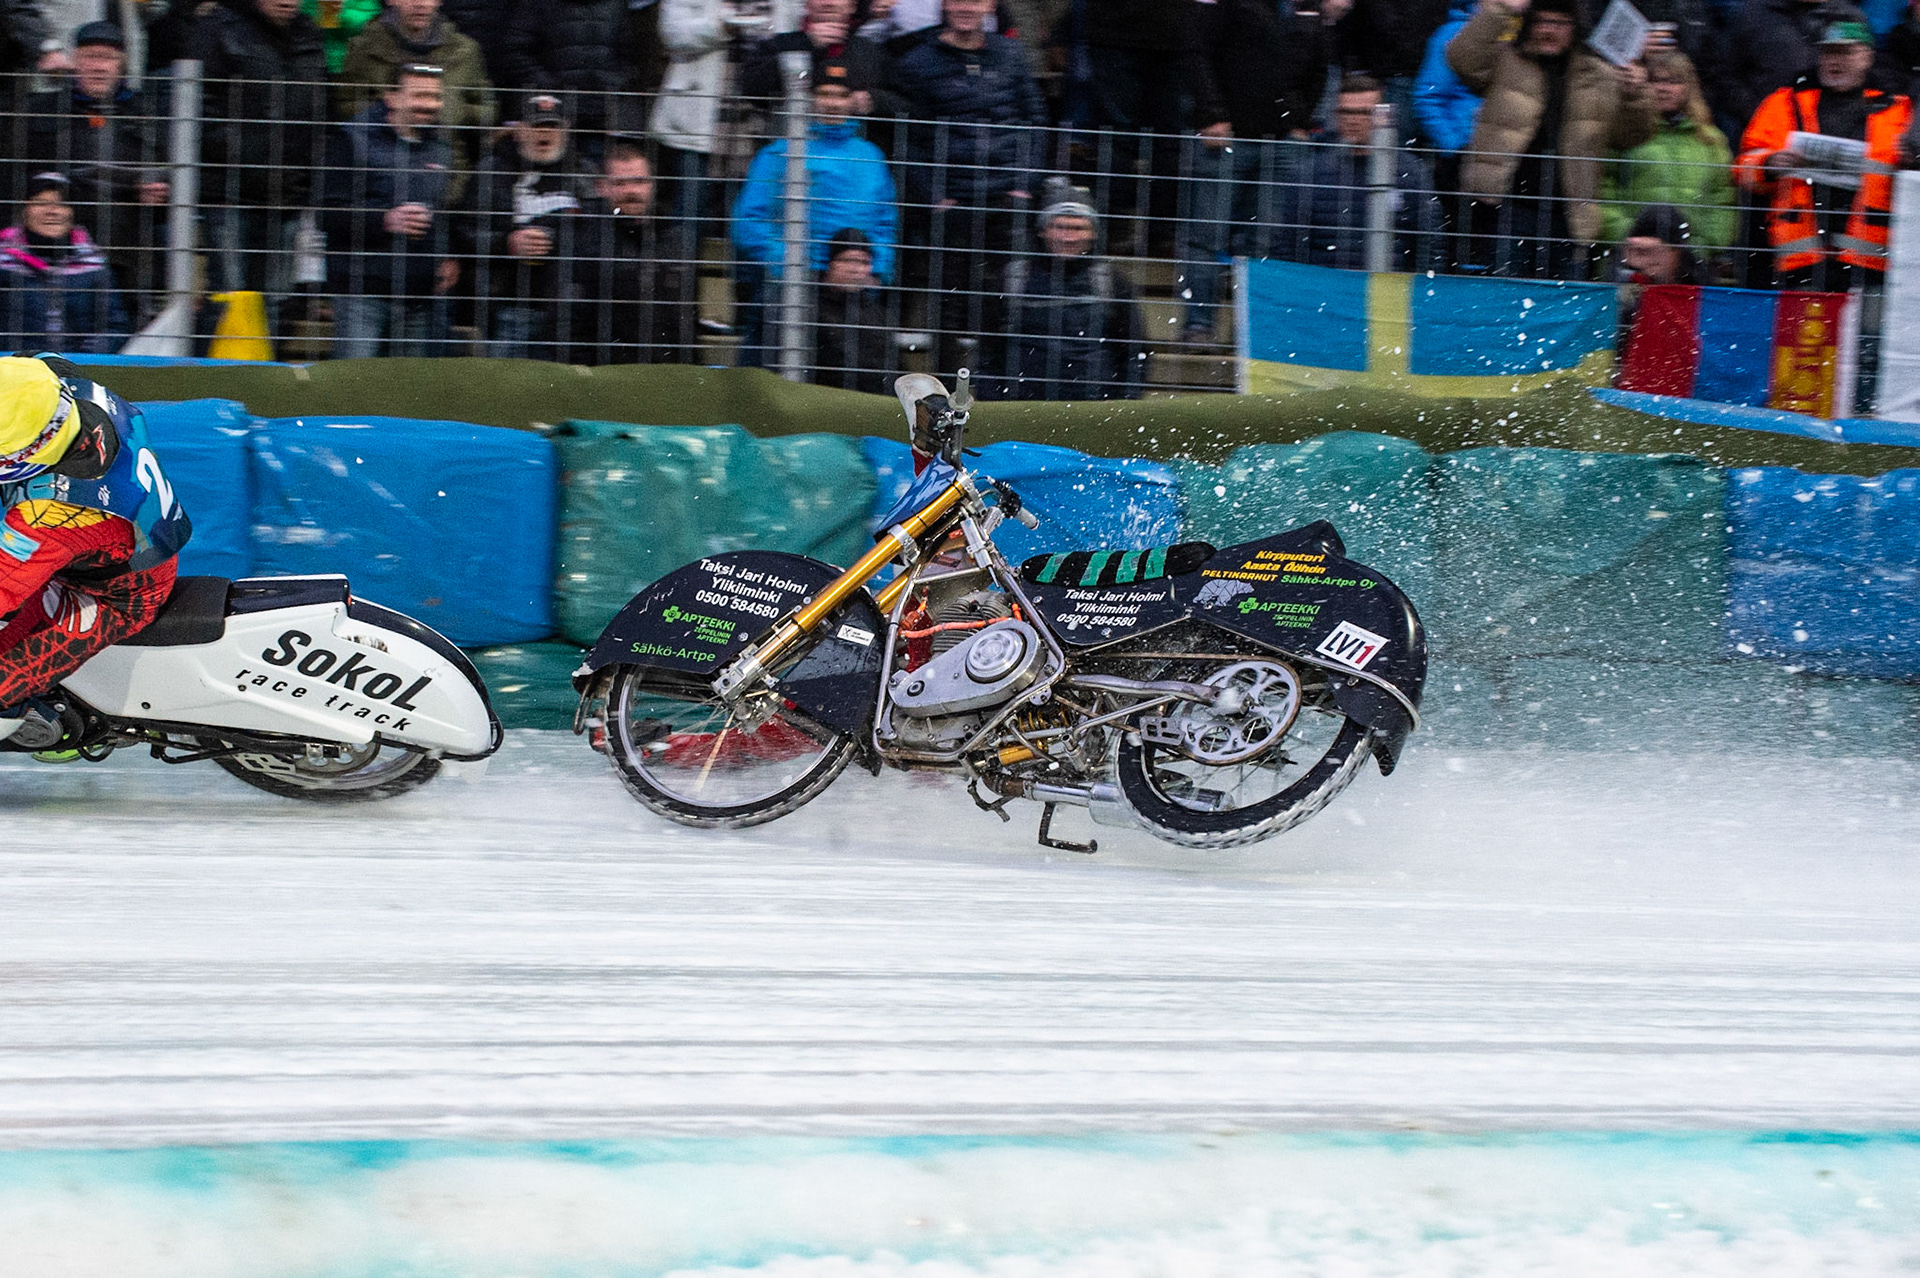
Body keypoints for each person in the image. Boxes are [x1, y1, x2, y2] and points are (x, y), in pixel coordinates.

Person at [0, 353, 190, 753]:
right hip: (105, 549)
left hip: (111, 597)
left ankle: (46, 721)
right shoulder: (49, 381)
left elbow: (4, 589)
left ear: (27, 453)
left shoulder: (49, 514)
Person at [887, 0, 1046, 375]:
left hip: (1007, 198)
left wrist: (1024, 185)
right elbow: (908, 138)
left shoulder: (1011, 54)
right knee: (948, 303)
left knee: (1007, 299)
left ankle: (1000, 386)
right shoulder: (918, 62)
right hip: (953, 201)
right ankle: (944, 390)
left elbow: (1036, 120)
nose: (964, 7)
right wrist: (934, 195)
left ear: (989, 5)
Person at [1447, 0, 1656, 279]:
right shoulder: (1506, 60)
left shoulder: (1599, 74)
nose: (1547, 30)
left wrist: (1635, 95)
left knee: (1562, 313)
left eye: (1558, 23)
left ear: (1574, 28)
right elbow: (1462, 60)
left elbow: (1631, 136)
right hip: (1508, 208)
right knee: (1504, 302)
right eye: (1540, 22)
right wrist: (1501, 9)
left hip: (1570, 218)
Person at [1179, 0, 1342, 342]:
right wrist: (1211, 112)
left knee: (1266, 241)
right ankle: (1198, 325)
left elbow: (1320, 65)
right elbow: (1197, 51)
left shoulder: (1307, 7)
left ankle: (1250, 329)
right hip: (1227, 135)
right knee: (1207, 236)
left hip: (1283, 141)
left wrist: (1300, 120)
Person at [730, 54, 898, 366]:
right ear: (809, 98)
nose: (833, 104)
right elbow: (748, 222)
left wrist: (877, 270)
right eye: (824, 93)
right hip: (792, 293)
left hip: (853, 295)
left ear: (853, 100)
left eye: (841, 95)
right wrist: (795, 264)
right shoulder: (779, 152)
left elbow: (885, 223)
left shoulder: (871, 157)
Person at [1736, 16, 1913, 290]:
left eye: (1845, 52)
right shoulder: (1782, 104)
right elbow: (1743, 168)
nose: (1834, 61)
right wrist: (1769, 164)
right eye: (1829, 52)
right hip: (1798, 262)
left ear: (1867, 57)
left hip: (1870, 266)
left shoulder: (1900, 111)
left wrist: (1910, 160)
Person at [191, 0, 329, 331]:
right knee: (230, 299)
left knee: (276, 301)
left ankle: (265, 378)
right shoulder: (219, 30)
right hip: (230, 193)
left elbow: (321, 112)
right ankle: (216, 379)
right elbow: (196, 105)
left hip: (287, 195)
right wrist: (248, 156)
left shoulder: (310, 35)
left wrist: (306, 175)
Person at [21, 22, 168, 320]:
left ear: (122, 64)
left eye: (108, 58)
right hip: (52, 253)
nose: (99, 67)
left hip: (127, 251)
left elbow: (170, 173)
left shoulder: (146, 113)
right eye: (90, 56)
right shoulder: (41, 109)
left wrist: (160, 188)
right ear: (75, 59)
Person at [319, 64, 458, 358]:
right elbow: (327, 212)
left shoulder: (441, 148)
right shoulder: (353, 139)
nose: (429, 105)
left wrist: (446, 254)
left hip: (418, 293)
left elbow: (442, 210)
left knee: (406, 396)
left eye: (435, 97)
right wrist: (385, 218)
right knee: (352, 390)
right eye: (419, 95)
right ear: (391, 98)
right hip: (362, 292)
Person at [461, 91, 594, 359]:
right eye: (536, 125)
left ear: (565, 130)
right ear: (519, 130)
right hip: (508, 307)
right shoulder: (491, 172)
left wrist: (560, 240)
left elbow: (600, 239)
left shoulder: (585, 175)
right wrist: (508, 243)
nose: (545, 134)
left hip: (568, 312)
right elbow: (465, 233)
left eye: (553, 126)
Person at [1001, 182, 1146, 401]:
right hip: (1022, 409)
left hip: (1094, 411)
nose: (1068, 237)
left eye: (1078, 228)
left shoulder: (1113, 282)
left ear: (1093, 234)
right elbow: (990, 353)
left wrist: (1124, 407)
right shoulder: (1013, 278)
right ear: (1042, 230)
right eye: (1060, 227)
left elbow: (1135, 353)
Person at [338, 0, 497, 198]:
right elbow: (344, 105)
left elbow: (489, 110)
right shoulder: (364, 47)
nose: (420, 4)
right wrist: (392, 108)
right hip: (381, 170)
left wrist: (456, 109)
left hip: (449, 172)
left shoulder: (465, 51)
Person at [1283, 74, 1442, 270]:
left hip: (1389, 293)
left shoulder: (1411, 172)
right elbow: (1288, 246)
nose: (1353, 120)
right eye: (1346, 112)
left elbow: (1429, 245)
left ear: (1383, 116)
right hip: (1327, 289)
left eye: (1364, 113)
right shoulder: (1309, 173)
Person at [565, 140, 701, 365]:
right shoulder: (584, 242)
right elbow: (569, 325)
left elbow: (689, 325)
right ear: (602, 187)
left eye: (639, 181)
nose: (631, 192)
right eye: (620, 183)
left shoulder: (677, 241)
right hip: (607, 380)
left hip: (670, 379)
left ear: (652, 185)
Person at [1599, 50, 1735, 256]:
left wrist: (1702, 247)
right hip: (1630, 256)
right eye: (1655, 81)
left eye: (1673, 81)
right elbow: (1602, 192)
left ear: (1689, 87)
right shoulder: (1624, 130)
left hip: (1691, 260)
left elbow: (1723, 201)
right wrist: (1630, 237)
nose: (1663, 88)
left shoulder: (1711, 140)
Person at [0, 172, 130, 353]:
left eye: (62, 204)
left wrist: (85, 360)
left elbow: (115, 326)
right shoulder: (3, 260)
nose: (52, 211)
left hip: (76, 371)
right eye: (41, 202)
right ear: (24, 210)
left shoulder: (94, 264)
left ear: (72, 212)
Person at [503, 0, 643, 137]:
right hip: (554, 113)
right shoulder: (537, 4)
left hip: (605, 112)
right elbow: (517, 51)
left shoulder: (616, 4)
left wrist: (614, 84)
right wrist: (550, 87)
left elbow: (627, 53)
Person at [811, 226, 891, 393]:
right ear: (831, 264)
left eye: (863, 262)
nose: (855, 269)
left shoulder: (875, 312)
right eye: (847, 260)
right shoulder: (810, 307)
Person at [301, 0, 379, 73]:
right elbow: (301, 15)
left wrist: (340, 16)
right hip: (312, 63)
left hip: (351, 64)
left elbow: (372, 20)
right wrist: (321, 12)